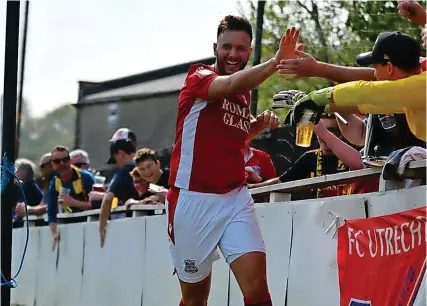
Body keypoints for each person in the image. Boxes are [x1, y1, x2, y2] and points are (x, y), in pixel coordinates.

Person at [167, 15, 299, 306]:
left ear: (249, 52)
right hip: (192, 200)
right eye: (227, 47)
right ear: (215, 48)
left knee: (257, 288)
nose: (233, 54)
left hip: (234, 197)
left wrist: (258, 126)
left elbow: (234, 137)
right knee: (195, 299)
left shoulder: (242, 94)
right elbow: (228, 85)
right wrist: (276, 62)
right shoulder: (198, 78)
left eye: (241, 49)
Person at [278, 31, 426, 142]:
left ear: (389, 67)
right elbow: (365, 105)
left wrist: (315, 98)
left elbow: (364, 91)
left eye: (375, 67)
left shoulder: (420, 86)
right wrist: (322, 107)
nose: (374, 73)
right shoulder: (409, 93)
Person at [249, 114, 359, 198]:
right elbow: (281, 182)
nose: (324, 135)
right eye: (321, 130)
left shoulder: (352, 156)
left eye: (331, 130)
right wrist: (249, 188)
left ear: (341, 133)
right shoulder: (310, 157)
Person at [47, 145, 94, 250]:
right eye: (57, 161)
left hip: (90, 227)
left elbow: (97, 206)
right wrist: (54, 233)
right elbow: (51, 210)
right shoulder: (54, 182)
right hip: (70, 229)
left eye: (65, 160)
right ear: (52, 165)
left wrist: (73, 202)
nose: (62, 164)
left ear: (70, 161)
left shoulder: (85, 178)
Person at [98, 128, 139, 246]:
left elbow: (108, 199)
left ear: (120, 154)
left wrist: (101, 229)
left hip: (132, 228)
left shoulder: (123, 172)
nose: (116, 164)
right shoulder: (149, 167)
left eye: (115, 159)